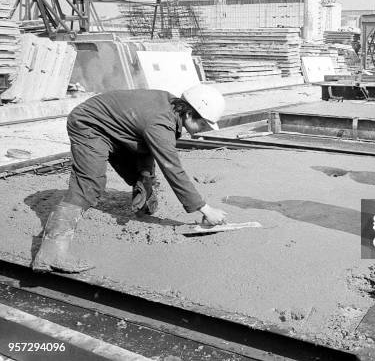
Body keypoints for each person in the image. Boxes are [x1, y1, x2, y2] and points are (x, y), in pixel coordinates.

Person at [32, 84, 229, 274]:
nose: (203, 129)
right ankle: (51, 252)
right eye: (203, 123)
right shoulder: (160, 121)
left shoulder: (170, 108)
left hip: (114, 127)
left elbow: (146, 144)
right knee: (90, 185)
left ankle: (143, 202)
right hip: (89, 125)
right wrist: (205, 208)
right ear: (188, 113)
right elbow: (172, 169)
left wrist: (144, 178)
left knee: (143, 173)